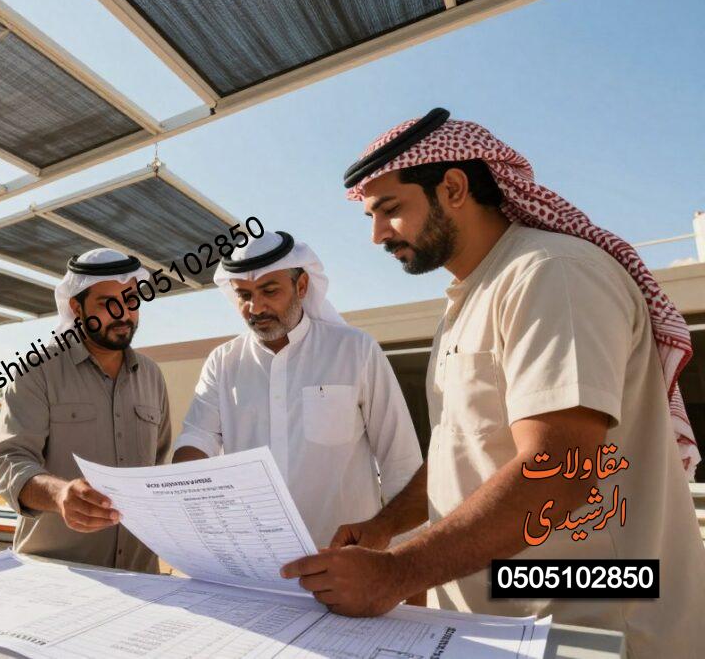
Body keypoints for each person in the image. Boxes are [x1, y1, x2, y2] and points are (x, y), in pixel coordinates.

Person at [280, 108, 705, 658]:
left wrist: (396, 573)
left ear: (453, 188)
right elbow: (470, 449)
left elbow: (559, 472)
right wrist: (386, 525)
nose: (377, 234)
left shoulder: (551, 273)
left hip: (595, 624)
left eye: (389, 210)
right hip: (508, 624)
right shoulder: (471, 297)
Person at [172, 230, 422, 549]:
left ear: (301, 286)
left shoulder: (355, 350)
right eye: (244, 295)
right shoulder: (223, 362)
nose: (255, 307)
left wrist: (404, 564)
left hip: (344, 561)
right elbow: (197, 439)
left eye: (269, 290)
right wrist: (179, 497)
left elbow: (399, 459)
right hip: (255, 559)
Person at [0, 248, 172, 572]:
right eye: (107, 303)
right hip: (55, 578)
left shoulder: (152, 377)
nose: (123, 313)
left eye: (131, 300)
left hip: (141, 576)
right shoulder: (35, 371)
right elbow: (9, 462)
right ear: (76, 307)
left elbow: (159, 469)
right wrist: (60, 495)